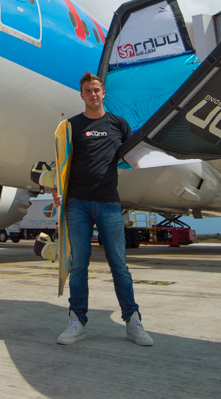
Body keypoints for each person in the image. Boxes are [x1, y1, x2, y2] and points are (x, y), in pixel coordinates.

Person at [53, 71, 153, 346]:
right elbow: (61, 164)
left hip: (109, 203)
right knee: (79, 266)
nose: (93, 94)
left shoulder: (119, 125)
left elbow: (131, 156)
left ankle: (132, 320)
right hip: (77, 204)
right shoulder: (71, 126)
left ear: (103, 92)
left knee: (119, 265)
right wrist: (56, 191)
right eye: (88, 90)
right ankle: (77, 320)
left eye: (97, 90)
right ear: (82, 95)